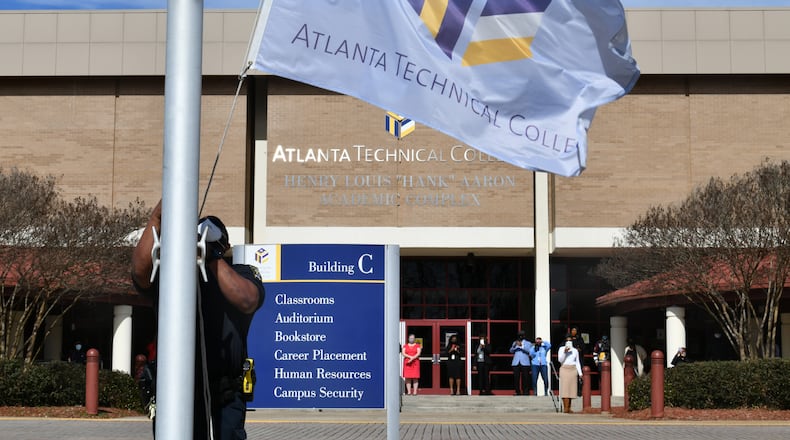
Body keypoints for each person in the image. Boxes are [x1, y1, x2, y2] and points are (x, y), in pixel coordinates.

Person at [131, 200, 265, 440]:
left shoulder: (242, 272)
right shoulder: (171, 274)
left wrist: (210, 257)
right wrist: (156, 219)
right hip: (177, 390)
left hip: (225, 395)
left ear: (226, 246)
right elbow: (140, 273)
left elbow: (247, 299)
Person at [557, 335, 583, 413]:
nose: (569, 342)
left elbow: (577, 362)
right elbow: (560, 360)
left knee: (571, 389)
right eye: (567, 341)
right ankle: (565, 408)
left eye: (570, 341)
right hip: (564, 368)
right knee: (565, 389)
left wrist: (580, 373)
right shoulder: (561, 349)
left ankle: (569, 407)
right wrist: (565, 352)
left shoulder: (575, 350)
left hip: (573, 369)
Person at [509, 330, 532, 395]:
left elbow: (529, 351)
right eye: (519, 335)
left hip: (525, 362)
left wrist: (521, 346)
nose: (520, 337)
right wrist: (514, 346)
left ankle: (526, 391)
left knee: (525, 378)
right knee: (516, 378)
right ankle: (517, 391)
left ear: (524, 336)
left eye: (521, 335)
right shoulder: (515, 342)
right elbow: (511, 351)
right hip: (516, 362)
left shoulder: (528, 343)